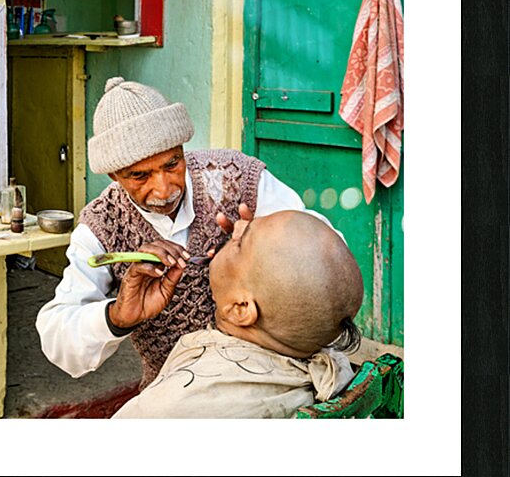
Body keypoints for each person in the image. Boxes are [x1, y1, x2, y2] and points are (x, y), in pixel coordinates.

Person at [36, 77, 341, 390]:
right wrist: (117, 317)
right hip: (180, 391)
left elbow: (324, 251)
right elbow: (59, 339)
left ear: (182, 148)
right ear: (114, 174)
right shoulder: (102, 227)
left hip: (275, 373)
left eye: (172, 164)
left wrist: (265, 242)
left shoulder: (234, 178)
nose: (164, 189)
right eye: (139, 176)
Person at [112, 210, 363, 418]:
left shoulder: (171, 409)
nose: (238, 223)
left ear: (241, 309)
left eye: (241, 241)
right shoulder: (333, 366)